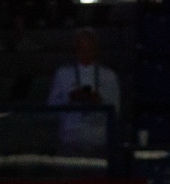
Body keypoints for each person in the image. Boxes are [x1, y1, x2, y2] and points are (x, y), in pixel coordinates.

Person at [46, 27, 121, 157]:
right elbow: (50, 107)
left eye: (89, 48)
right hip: (70, 142)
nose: (86, 52)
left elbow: (116, 110)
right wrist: (70, 99)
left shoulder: (109, 76)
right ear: (76, 49)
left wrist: (99, 101)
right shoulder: (63, 74)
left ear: (96, 49)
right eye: (82, 48)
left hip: (99, 143)